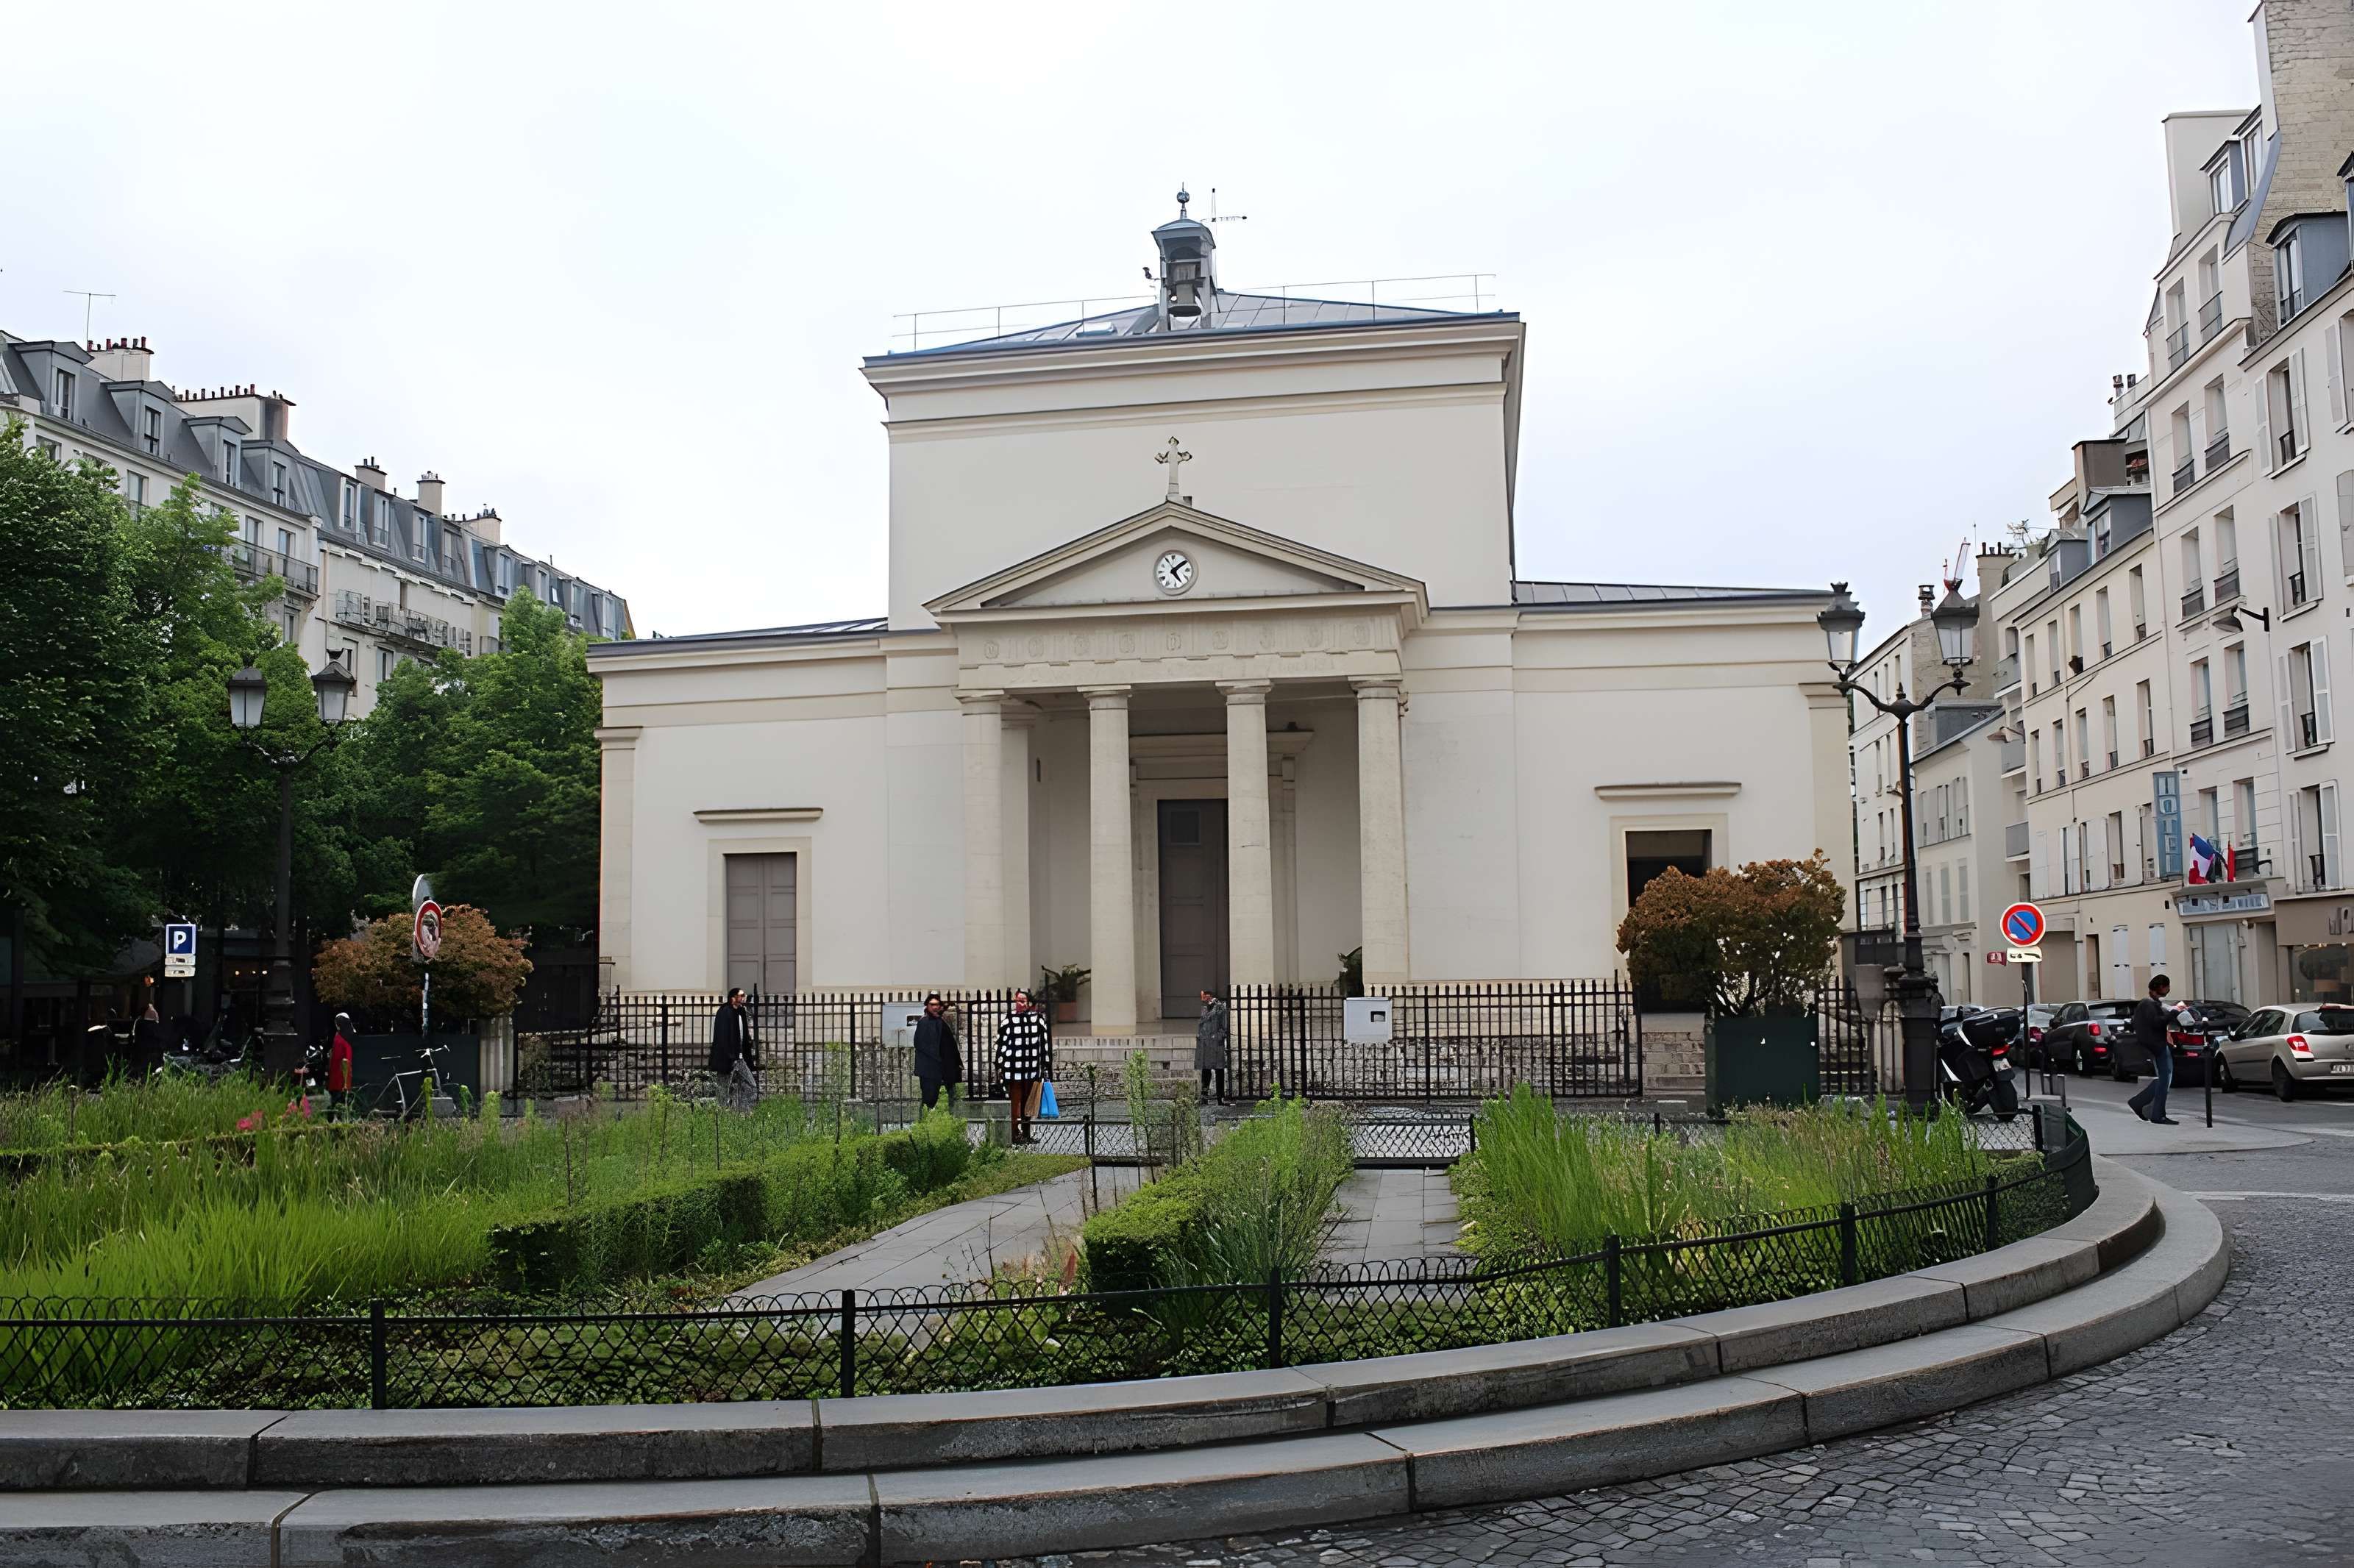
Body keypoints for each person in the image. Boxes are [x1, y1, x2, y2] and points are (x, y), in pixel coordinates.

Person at [995, 988, 1052, 1144]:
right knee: (1015, 1102)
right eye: (1019, 1000)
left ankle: (1026, 1134)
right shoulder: (1009, 1020)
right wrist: (1000, 1064)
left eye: (1024, 1001)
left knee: (1029, 1103)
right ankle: (1014, 1133)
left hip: (1032, 1069)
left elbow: (1044, 1044)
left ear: (1029, 1003)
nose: (1021, 1003)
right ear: (1015, 1002)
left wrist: (1045, 1064)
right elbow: (1001, 1043)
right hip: (1013, 1070)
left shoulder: (1038, 1020)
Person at [2127, 973, 2177, 1125]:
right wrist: (2173, 1014)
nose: (2168, 990)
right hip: (2157, 1046)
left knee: (2164, 1079)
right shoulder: (2148, 1004)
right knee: (2165, 1080)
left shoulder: (2151, 1004)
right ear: (2161, 987)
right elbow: (2156, 1023)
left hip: (2156, 1045)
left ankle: (2143, 1105)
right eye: (2167, 987)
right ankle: (2156, 1113)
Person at [710, 987, 758, 1111]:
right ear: (733, 998)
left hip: (740, 1058)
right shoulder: (724, 1012)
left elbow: (742, 1035)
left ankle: (744, 1114)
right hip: (727, 1059)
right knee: (723, 1089)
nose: (744, 998)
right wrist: (729, 1056)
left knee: (751, 1086)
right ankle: (721, 1117)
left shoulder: (741, 1012)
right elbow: (721, 1037)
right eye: (741, 995)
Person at [912, 992, 962, 1111]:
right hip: (931, 1070)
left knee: (946, 1102)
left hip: (943, 1070)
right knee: (929, 1101)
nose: (935, 1007)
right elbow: (920, 1044)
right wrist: (939, 1059)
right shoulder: (925, 1022)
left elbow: (949, 1044)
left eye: (937, 1005)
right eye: (932, 1005)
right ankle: (926, 1125)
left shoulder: (939, 1021)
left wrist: (956, 1062)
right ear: (927, 1006)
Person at [1196, 986, 1229, 1105]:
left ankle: (1220, 1098)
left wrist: (1217, 1037)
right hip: (1206, 1043)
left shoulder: (1220, 1009)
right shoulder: (1204, 1009)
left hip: (1216, 1044)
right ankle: (1204, 1096)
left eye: (1207, 998)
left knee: (1219, 1071)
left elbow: (1224, 1027)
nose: (1205, 1000)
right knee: (1206, 1070)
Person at [327, 1012, 356, 1118]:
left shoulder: (342, 1039)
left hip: (340, 1075)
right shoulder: (342, 1036)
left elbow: (345, 1060)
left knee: (339, 1099)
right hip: (337, 1073)